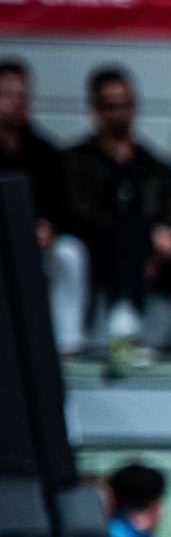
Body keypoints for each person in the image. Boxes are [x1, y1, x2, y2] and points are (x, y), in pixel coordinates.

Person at [62, 66, 171, 366]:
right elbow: (79, 214)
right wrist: (146, 238)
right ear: (93, 109)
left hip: (151, 258)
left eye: (126, 104)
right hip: (96, 252)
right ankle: (124, 332)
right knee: (127, 230)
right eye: (111, 105)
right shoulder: (75, 161)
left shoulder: (152, 164)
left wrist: (170, 233)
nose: (120, 113)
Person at [0, 57, 88, 355]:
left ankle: (67, 344)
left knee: (69, 254)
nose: (17, 102)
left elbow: (66, 206)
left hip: (36, 243)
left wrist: (50, 226)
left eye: (23, 95)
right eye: (8, 94)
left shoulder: (45, 152)